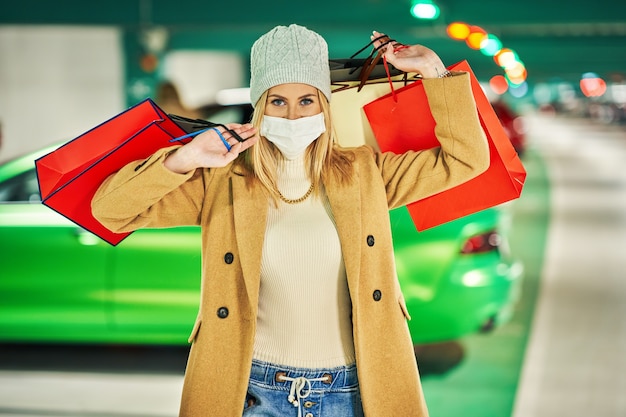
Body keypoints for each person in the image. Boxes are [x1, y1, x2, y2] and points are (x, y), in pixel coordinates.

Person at [92, 24, 489, 417]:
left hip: (352, 391)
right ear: (259, 107)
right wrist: (184, 159)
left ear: (324, 105)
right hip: (253, 393)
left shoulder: (365, 174)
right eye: (278, 101)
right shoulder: (223, 180)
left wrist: (435, 71)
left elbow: (467, 158)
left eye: (307, 100)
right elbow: (110, 211)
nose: (294, 114)